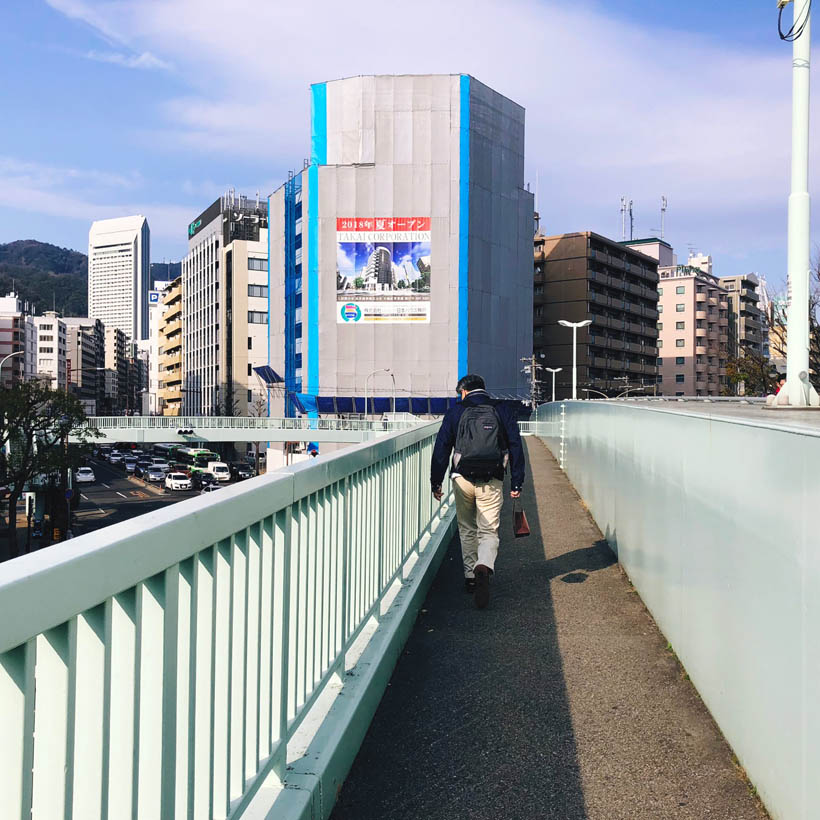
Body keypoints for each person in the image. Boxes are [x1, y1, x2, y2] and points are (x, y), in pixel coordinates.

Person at [430, 374, 525, 609]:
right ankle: (484, 564)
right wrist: (517, 481)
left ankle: (471, 577)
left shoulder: (456, 412)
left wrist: (436, 481)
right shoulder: (501, 409)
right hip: (492, 478)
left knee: (467, 528)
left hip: (462, 478)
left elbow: (442, 447)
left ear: (463, 392)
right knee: (489, 530)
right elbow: (515, 444)